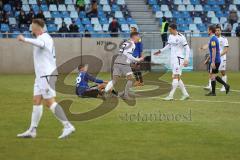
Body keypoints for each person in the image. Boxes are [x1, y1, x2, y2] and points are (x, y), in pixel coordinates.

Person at [16, 19, 75, 139]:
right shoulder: (41, 38)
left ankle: (68, 125)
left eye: (32, 27)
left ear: (37, 28)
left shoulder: (45, 38)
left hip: (47, 75)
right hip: (40, 77)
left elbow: (41, 44)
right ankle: (32, 130)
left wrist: (25, 39)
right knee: (36, 100)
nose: (30, 29)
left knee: (49, 102)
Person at [154, 23, 190, 101]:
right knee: (177, 77)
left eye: (170, 29)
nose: (168, 30)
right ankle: (186, 94)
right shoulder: (170, 36)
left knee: (175, 76)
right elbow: (169, 46)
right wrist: (160, 51)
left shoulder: (181, 37)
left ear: (174, 29)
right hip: (173, 59)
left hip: (179, 59)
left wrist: (187, 59)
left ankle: (170, 96)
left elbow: (187, 48)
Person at [105, 32, 144, 100]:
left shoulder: (125, 43)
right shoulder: (132, 44)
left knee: (114, 80)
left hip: (117, 61)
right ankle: (125, 95)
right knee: (131, 79)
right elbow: (128, 55)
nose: (139, 38)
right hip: (124, 63)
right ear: (134, 36)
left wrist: (133, 61)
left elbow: (124, 53)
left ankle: (106, 92)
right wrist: (137, 60)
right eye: (138, 36)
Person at [202, 25, 229, 92]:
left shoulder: (223, 39)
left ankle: (224, 86)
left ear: (221, 31)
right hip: (215, 58)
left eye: (218, 30)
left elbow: (225, 50)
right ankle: (211, 86)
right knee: (212, 72)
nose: (217, 31)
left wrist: (217, 55)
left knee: (222, 72)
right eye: (216, 30)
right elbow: (211, 51)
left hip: (221, 58)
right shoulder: (213, 38)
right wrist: (208, 59)